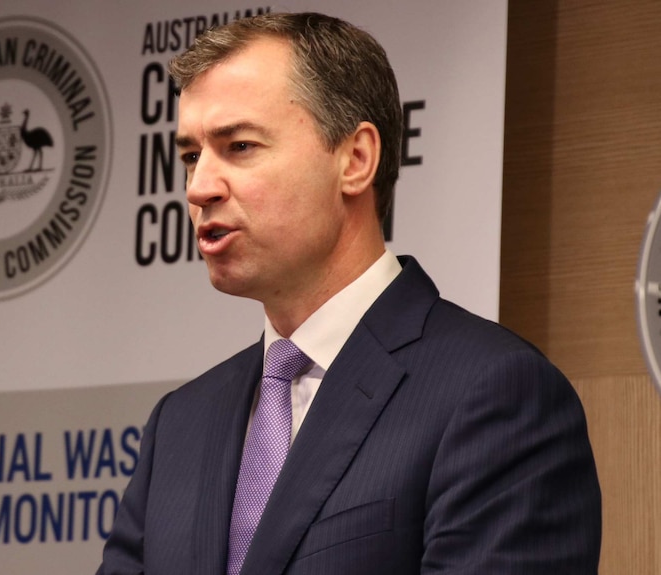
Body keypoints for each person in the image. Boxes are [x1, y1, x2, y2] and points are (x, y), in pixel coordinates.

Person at [97, 12, 601, 575]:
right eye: (191, 156)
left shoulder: (496, 395)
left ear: (356, 159)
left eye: (238, 146)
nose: (199, 187)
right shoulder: (180, 424)